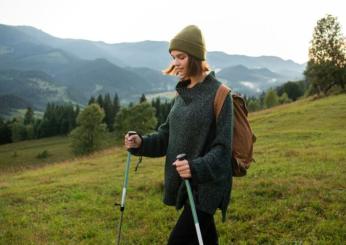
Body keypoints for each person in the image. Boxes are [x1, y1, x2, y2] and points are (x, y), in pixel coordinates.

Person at [124, 25, 233, 245]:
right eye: (174, 57)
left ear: (196, 56)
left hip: (207, 187)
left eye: (181, 57)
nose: (175, 63)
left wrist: (195, 167)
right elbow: (166, 135)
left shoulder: (221, 95)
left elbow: (223, 150)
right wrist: (141, 143)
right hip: (187, 185)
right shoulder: (182, 91)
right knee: (205, 238)